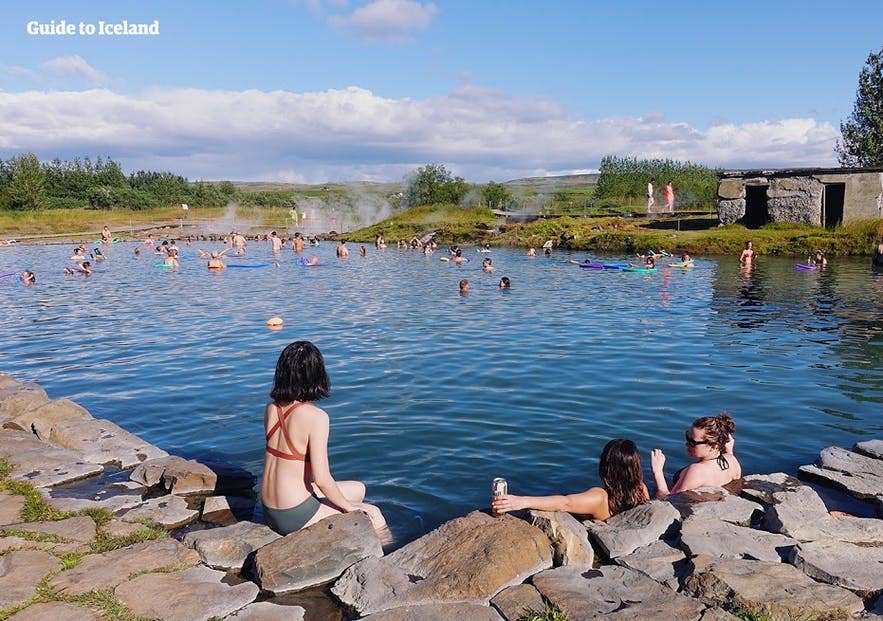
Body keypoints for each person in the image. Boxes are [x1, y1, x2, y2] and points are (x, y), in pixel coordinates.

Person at [260, 342, 387, 535]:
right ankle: (382, 557)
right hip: (292, 515)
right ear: (316, 374)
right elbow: (322, 479)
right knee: (374, 514)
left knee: (358, 489)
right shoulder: (316, 417)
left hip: (269, 507)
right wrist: (349, 508)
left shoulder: (272, 409)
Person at [491, 439, 650, 521]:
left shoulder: (600, 498)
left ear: (605, 465)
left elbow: (565, 503)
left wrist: (521, 501)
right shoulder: (641, 489)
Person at [650, 412, 741, 499]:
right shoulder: (732, 460)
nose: (686, 444)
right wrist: (729, 451)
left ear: (713, 447)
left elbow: (668, 499)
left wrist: (658, 472)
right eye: (687, 437)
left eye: (692, 442)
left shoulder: (696, 471)